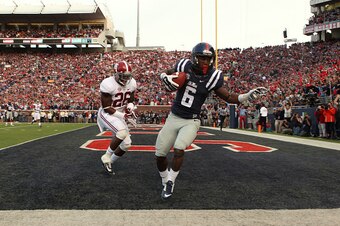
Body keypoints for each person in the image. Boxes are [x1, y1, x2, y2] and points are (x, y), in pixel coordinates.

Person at [155, 42, 268, 200]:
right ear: (195, 58)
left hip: (191, 120)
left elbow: (228, 96)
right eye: (202, 58)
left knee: (179, 148)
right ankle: (164, 179)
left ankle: (170, 182)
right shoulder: (183, 65)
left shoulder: (214, 77)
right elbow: (167, 72)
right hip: (174, 117)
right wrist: (164, 77)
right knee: (160, 154)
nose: (205, 62)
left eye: (208, 59)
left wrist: (245, 96)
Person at [97, 61, 138, 175]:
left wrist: (130, 109)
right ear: (115, 74)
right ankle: (106, 155)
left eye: (127, 77)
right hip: (107, 113)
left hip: (119, 113)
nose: (125, 79)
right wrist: (124, 115)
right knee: (122, 132)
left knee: (126, 144)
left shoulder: (132, 83)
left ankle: (109, 161)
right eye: (122, 76)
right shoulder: (108, 84)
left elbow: (130, 100)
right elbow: (106, 107)